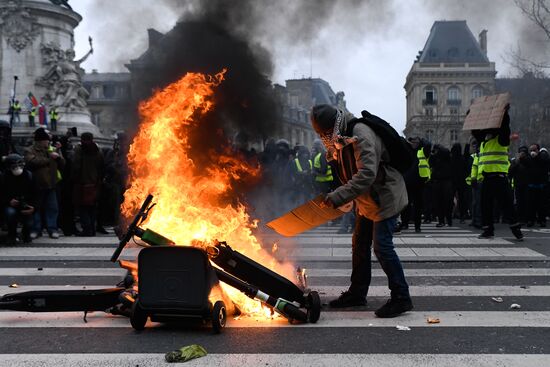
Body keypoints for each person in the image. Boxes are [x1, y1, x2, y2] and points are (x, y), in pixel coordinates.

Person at [311, 104, 412, 318]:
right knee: (359, 244)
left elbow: (366, 174)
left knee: (382, 247)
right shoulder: (342, 137)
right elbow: (348, 172)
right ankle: (357, 293)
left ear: (335, 126)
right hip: (366, 200)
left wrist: (337, 196)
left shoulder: (360, 134)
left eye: (326, 133)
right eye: (322, 135)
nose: (326, 138)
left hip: (384, 196)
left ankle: (402, 297)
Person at [471, 106, 523, 240]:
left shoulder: (501, 140)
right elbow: (475, 131)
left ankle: (516, 229)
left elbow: (505, 126)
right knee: (485, 206)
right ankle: (488, 230)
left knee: (507, 205)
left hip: (499, 177)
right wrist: (472, 115)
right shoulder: (483, 143)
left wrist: (504, 113)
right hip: (486, 178)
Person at [24, 127, 65, 239]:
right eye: (46, 140)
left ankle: (52, 229)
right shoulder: (30, 150)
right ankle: (36, 229)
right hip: (37, 184)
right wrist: (50, 159)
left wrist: (59, 154)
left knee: (52, 208)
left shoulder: (52, 149)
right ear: (40, 141)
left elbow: (62, 164)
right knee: (36, 208)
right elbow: (32, 161)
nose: (48, 142)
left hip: (51, 184)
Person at [72, 132, 104, 236]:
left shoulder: (80, 150)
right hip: (94, 183)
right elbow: (102, 166)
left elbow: (76, 166)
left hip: (82, 183)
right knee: (92, 207)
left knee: (83, 207)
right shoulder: (98, 150)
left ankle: (87, 230)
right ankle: (93, 229)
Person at [1, 154, 35, 244]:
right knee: (10, 213)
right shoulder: (4, 177)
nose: (17, 167)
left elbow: (36, 193)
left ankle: (26, 233)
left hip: (26, 203)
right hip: (10, 204)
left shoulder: (28, 176)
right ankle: (12, 234)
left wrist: (33, 207)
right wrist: (9, 201)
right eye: (14, 165)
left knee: (29, 221)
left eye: (19, 164)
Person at [526, 144, 549, 227]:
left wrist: (537, 157)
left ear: (538, 150)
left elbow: (545, 163)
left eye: (534, 150)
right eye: (531, 150)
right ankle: (530, 220)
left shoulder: (543, 157)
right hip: (531, 185)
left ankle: (542, 220)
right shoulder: (529, 158)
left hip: (541, 185)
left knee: (541, 205)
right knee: (531, 205)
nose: (532, 152)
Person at [430, 144, 454, 227]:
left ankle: (446, 220)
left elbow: (445, 152)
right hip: (438, 181)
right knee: (439, 202)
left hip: (445, 181)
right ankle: (443, 221)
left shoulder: (445, 156)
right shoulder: (435, 158)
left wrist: (438, 150)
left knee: (446, 202)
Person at [509, 146, 530, 225]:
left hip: (527, 185)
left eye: (524, 153)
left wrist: (522, 159)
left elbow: (530, 166)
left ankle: (526, 218)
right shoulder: (515, 161)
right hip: (518, 184)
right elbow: (510, 172)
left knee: (526, 202)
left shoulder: (529, 159)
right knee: (519, 202)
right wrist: (517, 162)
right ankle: (519, 218)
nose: (522, 154)